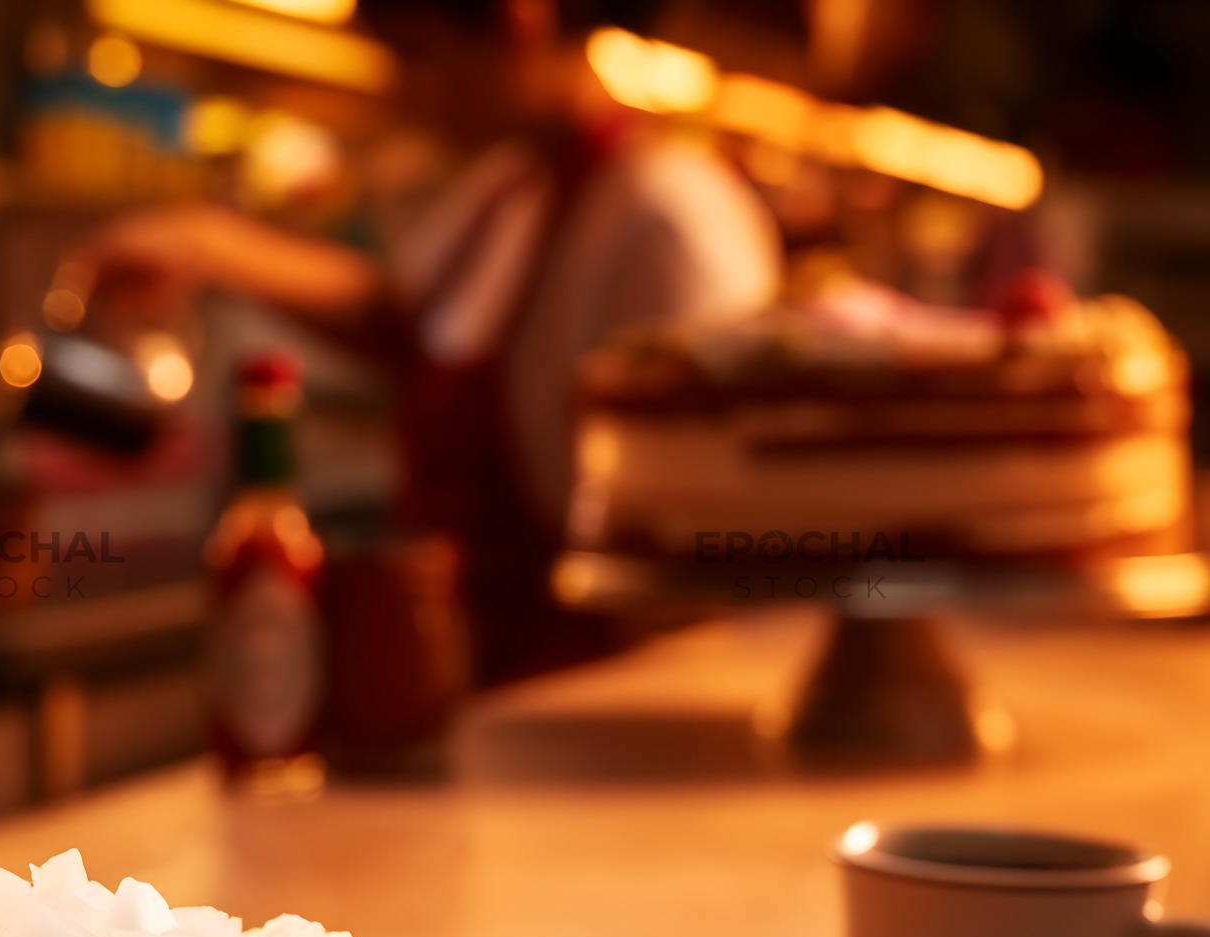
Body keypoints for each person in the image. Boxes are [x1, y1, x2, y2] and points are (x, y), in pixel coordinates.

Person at [95, 0, 781, 681]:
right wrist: (205, 245)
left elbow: (706, 533)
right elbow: (397, 320)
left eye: (415, 55)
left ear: (520, 22)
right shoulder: (503, 194)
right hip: (484, 690)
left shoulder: (661, 214)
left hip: (597, 698)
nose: (404, 94)